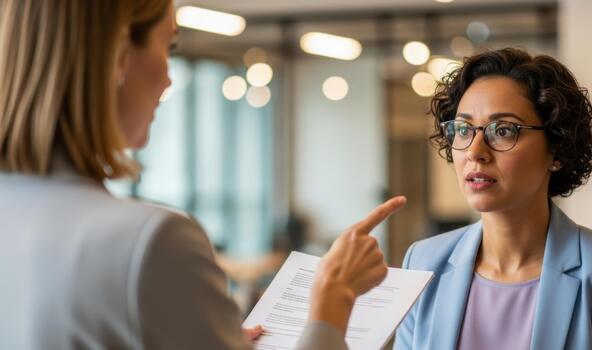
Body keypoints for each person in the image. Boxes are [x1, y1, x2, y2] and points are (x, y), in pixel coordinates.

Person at [0, 0, 406, 349]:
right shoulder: (152, 241)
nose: (169, 78)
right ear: (121, 56)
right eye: (168, 46)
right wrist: (333, 297)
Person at [394, 48, 592, 350]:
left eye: (503, 130)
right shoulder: (422, 261)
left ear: (556, 149)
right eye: (463, 129)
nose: (475, 151)